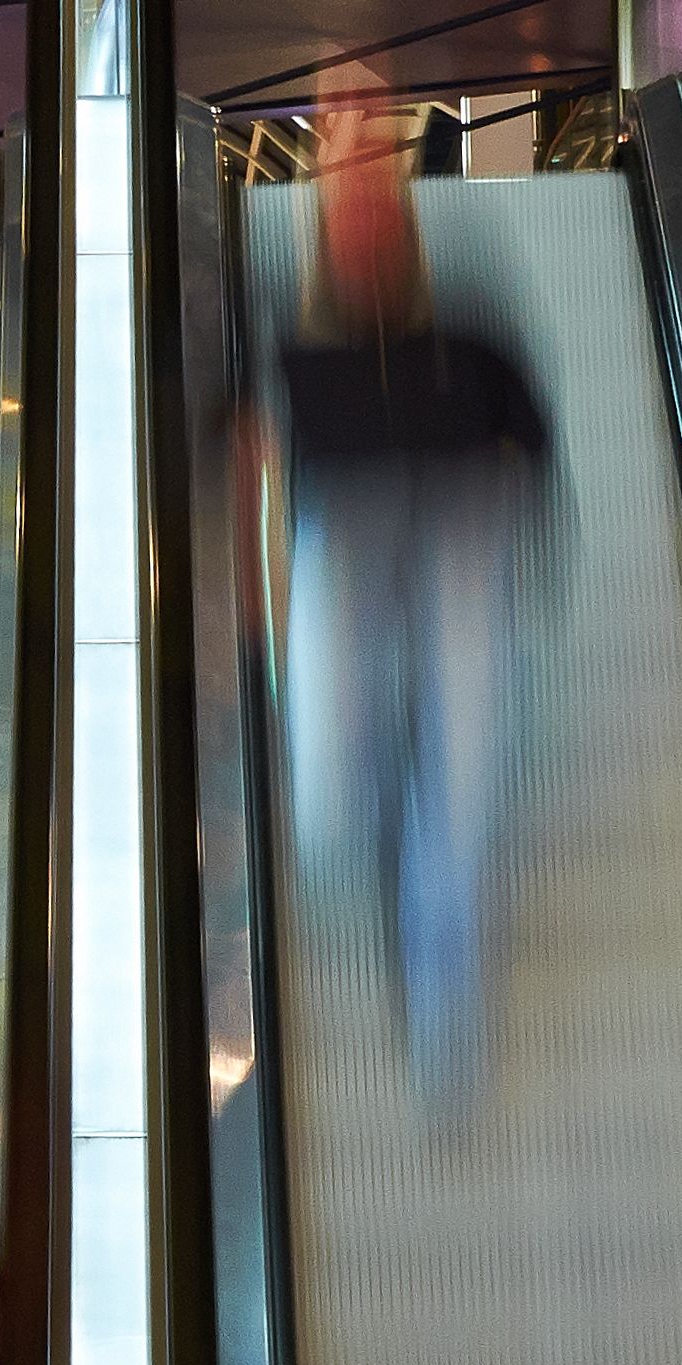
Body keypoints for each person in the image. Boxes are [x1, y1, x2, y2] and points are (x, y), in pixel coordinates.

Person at [263, 80, 550, 1090]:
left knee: (462, 746)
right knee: (335, 605)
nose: (369, 242)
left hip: (462, 542)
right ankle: (346, 799)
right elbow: (242, 469)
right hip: (349, 544)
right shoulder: (289, 360)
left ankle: (444, 972)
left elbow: (533, 441)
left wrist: (516, 511)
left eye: (382, 223)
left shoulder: (466, 337)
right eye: (352, 227)